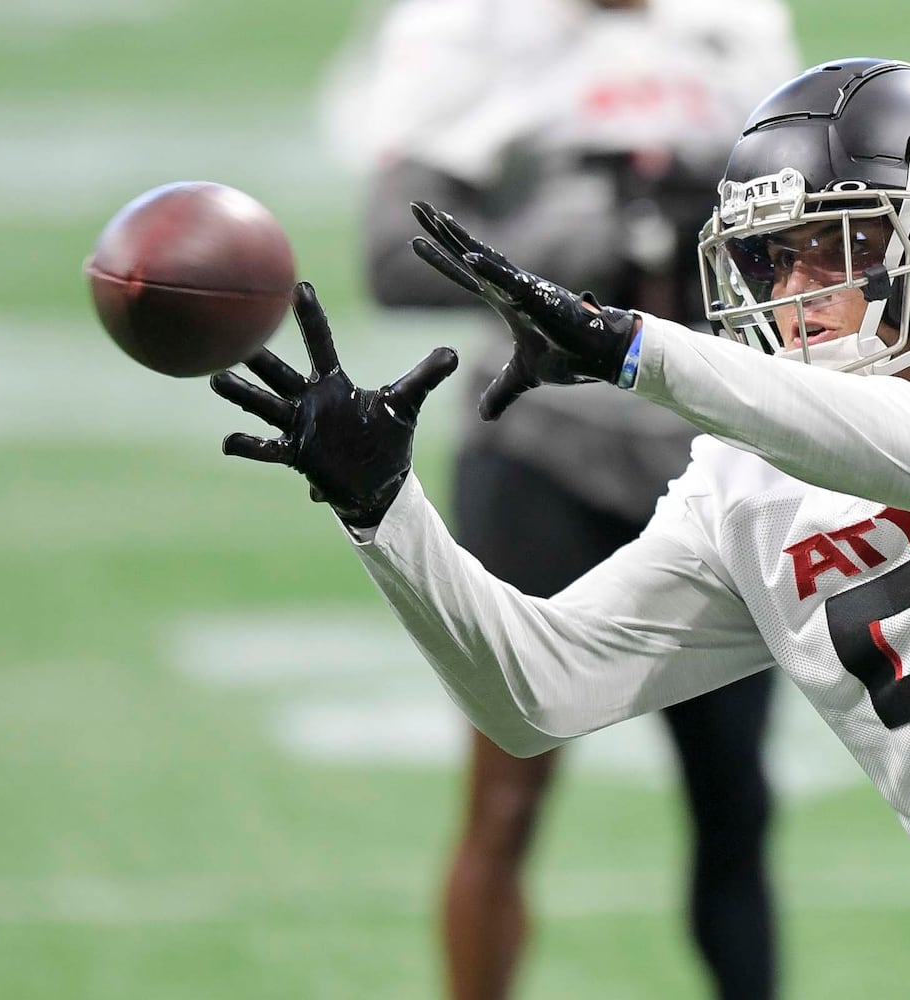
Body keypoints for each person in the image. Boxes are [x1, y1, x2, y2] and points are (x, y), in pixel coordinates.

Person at [211, 59, 910, 999]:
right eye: (768, 258)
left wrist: (637, 349)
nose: (792, 293)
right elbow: (534, 689)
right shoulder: (747, 481)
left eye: (830, 249)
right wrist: (383, 510)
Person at [321, 1, 799, 997]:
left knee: (735, 801)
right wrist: (535, 248)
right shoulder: (461, 28)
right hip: (542, 445)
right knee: (506, 799)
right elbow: (387, 256)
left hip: (705, 448)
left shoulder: (737, 19)